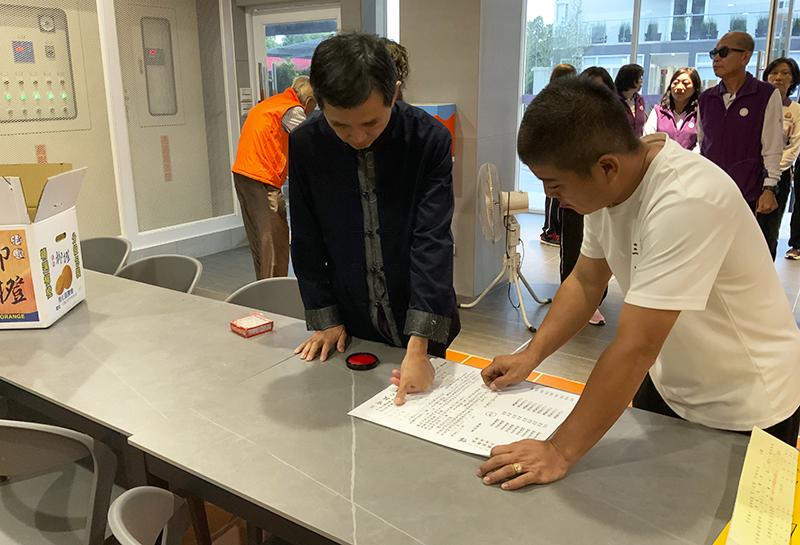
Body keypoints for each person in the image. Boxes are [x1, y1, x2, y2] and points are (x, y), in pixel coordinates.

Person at [475, 77, 800, 490]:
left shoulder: (685, 198)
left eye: (555, 184)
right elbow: (586, 281)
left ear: (606, 167)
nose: (550, 196)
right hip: (670, 382)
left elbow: (635, 346)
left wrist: (558, 450)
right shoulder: (608, 189)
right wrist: (531, 355)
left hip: (747, 400)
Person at [289, 33, 460, 406]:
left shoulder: (428, 139)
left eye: (370, 123)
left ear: (393, 94)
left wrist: (419, 345)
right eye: (340, 126)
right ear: (319, 104)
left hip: (418, 309)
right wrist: (326, 318)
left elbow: (432, 241)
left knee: (418, 412)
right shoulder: (305, 144)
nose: (357, 137)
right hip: (350, 316)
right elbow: (305, 236)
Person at [231, 76, 316, 279]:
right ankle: (273, 290)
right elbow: (310, 143)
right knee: (275, 241)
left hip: (244, 175)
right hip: (262, 179)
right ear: (309, 101)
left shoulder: (272, 104)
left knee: (261, 243)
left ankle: (263, 286)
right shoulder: (293, 110)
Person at [555, 66, 616, 327]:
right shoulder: (568, 120)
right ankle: (573, 303)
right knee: (574, 248)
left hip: (605, 200)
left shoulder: (616, 124)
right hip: (574, 200)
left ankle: (594, 301)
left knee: (603, 252)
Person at [698, 32, 783, 218]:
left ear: (745, 57)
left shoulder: (765, 94)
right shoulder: (706, 98)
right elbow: (703, 143)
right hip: (709, 191)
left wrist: (769, 187)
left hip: (747, 192)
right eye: (714, 53)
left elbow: (772, 145)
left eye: (723, 52)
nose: (716, 59)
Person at [758, 58, 800, 260]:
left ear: (793, 79)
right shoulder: (757, 105)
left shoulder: (796, 110)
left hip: (778, 176)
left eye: (785, 73)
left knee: (769, 228)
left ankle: (765, 269)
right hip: (752, 172)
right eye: (774, 72)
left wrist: (773, 169)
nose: (778, 77)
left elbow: (794, 146)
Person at [540, 64, 577, 248]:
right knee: (553, 195)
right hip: (552, 156)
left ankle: (558, 229)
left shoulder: (571, 100)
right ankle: (549, 230)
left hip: (567, 156)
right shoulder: (549, 101)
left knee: (562, 194)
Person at [643, 67, 702, 151]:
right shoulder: (658, 111)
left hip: (689, 158)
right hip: (661, 158)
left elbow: (701, 143)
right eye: (675, 83)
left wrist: (687, 157)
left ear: (695, 88)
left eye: (685, 83)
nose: (679, 87)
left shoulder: (700, 113)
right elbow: (648, 140)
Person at [615, 64, 646, 137]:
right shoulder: (613, 101)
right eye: (639, 78)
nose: (642, 81)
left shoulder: (640, 100)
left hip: (637, 143)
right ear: (631, 80)